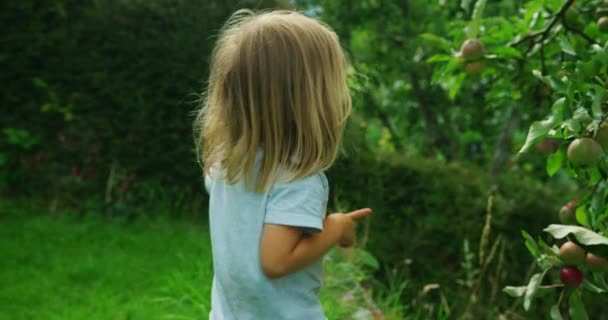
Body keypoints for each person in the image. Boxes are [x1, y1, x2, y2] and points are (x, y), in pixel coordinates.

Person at [193, 9, 372, 320]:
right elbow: (276, 261)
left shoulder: (227, 164)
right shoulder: (298, 178)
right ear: (310, 101)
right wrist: (336, 227)